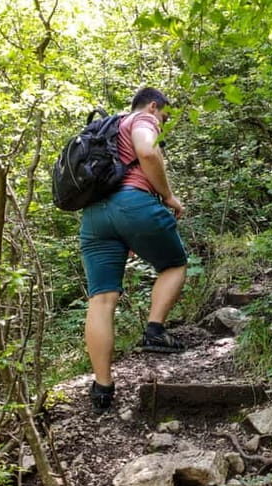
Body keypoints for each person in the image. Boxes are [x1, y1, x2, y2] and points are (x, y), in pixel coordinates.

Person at [80, 87, 188, 413]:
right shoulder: (143, 118)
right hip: (134, 202)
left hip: (94, 215)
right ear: (155, 106)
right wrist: (168, 196)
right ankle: (154, 330)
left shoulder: (107, 131)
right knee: (174, 265)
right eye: (165, 117)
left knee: (101, 299)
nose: (163, 123)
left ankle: (102, 387)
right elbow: (148, 152)